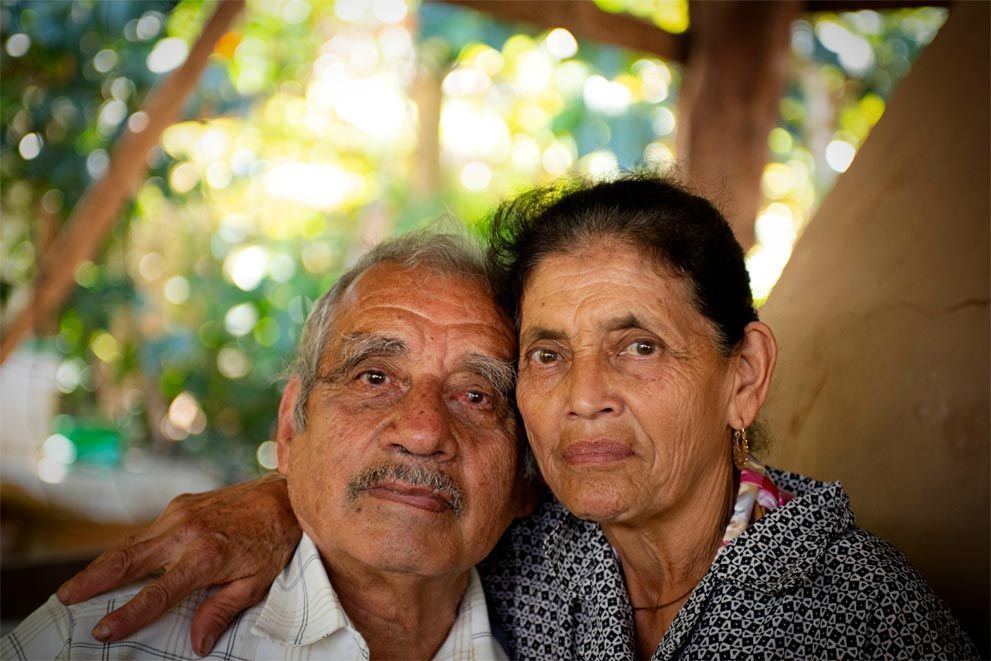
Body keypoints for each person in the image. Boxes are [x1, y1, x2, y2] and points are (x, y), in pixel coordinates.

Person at [52, 174, 978, 659]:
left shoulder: (867, 623)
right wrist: (279, 501)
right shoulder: (534, 556)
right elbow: (399, 502)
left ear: (745, 374)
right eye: (545, 353)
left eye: (637, 345)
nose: (583, 394)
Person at [2, 232, 533, 660]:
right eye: (373, 378)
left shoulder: (557, 636)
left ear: (523, 477)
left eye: (476, 396)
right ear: (289, 430)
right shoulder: (91, 644)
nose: (422, 432)